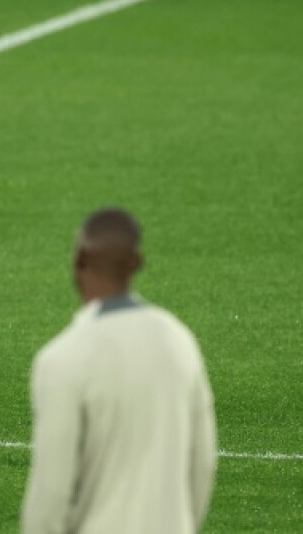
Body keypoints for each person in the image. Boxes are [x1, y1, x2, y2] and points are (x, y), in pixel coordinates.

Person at [21, 208, 217, 533]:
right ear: (136, 262)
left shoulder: (62, 359)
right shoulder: (178, 341)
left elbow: (51, 493)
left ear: (79, 258)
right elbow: (202, 463)